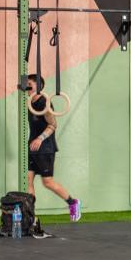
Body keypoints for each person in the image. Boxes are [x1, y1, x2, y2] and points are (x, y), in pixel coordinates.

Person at [27, 75, 81, 222]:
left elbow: (52, 125)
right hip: (32, 147)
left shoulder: (44, 103)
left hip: (45, 147)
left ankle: (73, 202)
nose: (26, 86)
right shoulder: (29, 101)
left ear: (38, 86)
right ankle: (30, 215)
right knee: (28, 180)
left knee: (47, 182)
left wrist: (40, 138)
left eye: (29, 84)